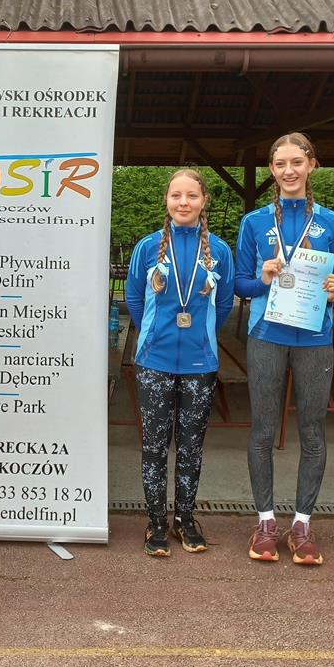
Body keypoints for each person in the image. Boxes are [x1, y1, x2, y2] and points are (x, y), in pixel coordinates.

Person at [234, 133, 334, 567]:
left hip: (315, 338)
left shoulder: (333, 223)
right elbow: (240, 284)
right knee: (263, 431)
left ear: (312, 164)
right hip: (267, 335)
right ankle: (265, 522)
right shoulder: (255, 222)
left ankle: (302, 525)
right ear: (272, 170)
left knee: (312, 433)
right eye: (280, 164)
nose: (289, 171)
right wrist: (261, 277)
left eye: (296, 162)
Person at [125, 168, 235, 556]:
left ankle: (185, 518)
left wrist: (199, 336)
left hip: (199, 365)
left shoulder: (219, 251)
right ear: (167, 201)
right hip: (153, 362)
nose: (183, 203)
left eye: (191, 196)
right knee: (155, 446)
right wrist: (153, 333)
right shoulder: (147, 247)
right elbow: (134, 298)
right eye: (176, 196)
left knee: (191, 447)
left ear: (204, 201)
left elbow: (225, 304)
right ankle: (156, 520)